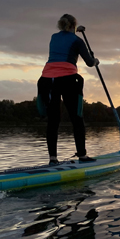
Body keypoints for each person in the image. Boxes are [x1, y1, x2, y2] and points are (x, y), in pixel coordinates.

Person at [37, 14, 99, 165]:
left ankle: (53, 159)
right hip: (68, 80)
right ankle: (82, 156)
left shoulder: (53, 37)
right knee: (76, 119)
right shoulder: (77, 40)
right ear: (73, 26)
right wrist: (95, 60)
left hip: (47, 80)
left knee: (53, 121)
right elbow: (90, 63)